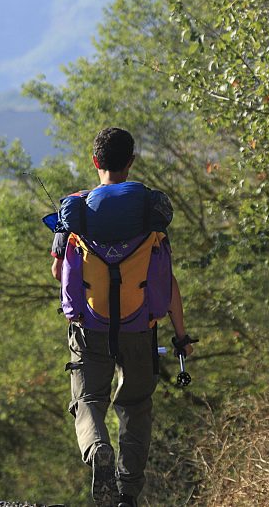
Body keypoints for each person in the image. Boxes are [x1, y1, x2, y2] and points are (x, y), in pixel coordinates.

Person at [50, 127, 194, 507]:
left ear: (95, 162)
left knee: (88, 399)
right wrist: (180, 336)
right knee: (135, 407)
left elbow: (57, 272)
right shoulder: (149, 209)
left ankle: (98, 447)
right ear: (131, 162)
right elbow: (168, 277)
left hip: (89, 327)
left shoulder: (76, 211)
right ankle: (127, 493)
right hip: (139, 326)